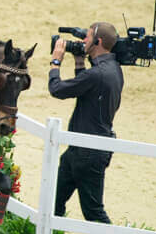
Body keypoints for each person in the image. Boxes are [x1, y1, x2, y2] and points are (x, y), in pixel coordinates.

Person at [48, 22, 123, 223]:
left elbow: (57, 90)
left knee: (94, 212)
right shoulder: (113, 69)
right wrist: (80, 62)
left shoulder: (97, 74)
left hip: (88, 153)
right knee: (52, 203)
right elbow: (86, 91)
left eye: (87, 38)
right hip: (80, 150)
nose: (83, 42)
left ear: (97, 42)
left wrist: (56, 62)